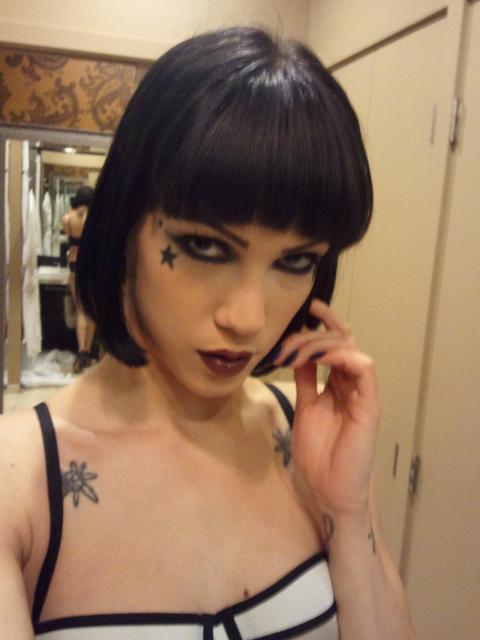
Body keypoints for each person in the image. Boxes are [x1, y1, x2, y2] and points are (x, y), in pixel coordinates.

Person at [0, 26, 417, 639]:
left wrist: (348, 514)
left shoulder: (305, 437)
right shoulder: (19, 480)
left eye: (295, 261)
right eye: (204, 246)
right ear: (125, 225)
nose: (247, 319)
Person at [61, 185, 96, 374]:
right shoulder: (96, 218)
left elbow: (67, 237)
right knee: (92, 311)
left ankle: (82, 351)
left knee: (81, 310)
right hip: (92, 265)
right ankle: (87, 353)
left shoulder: (68, 219)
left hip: (75, 265)